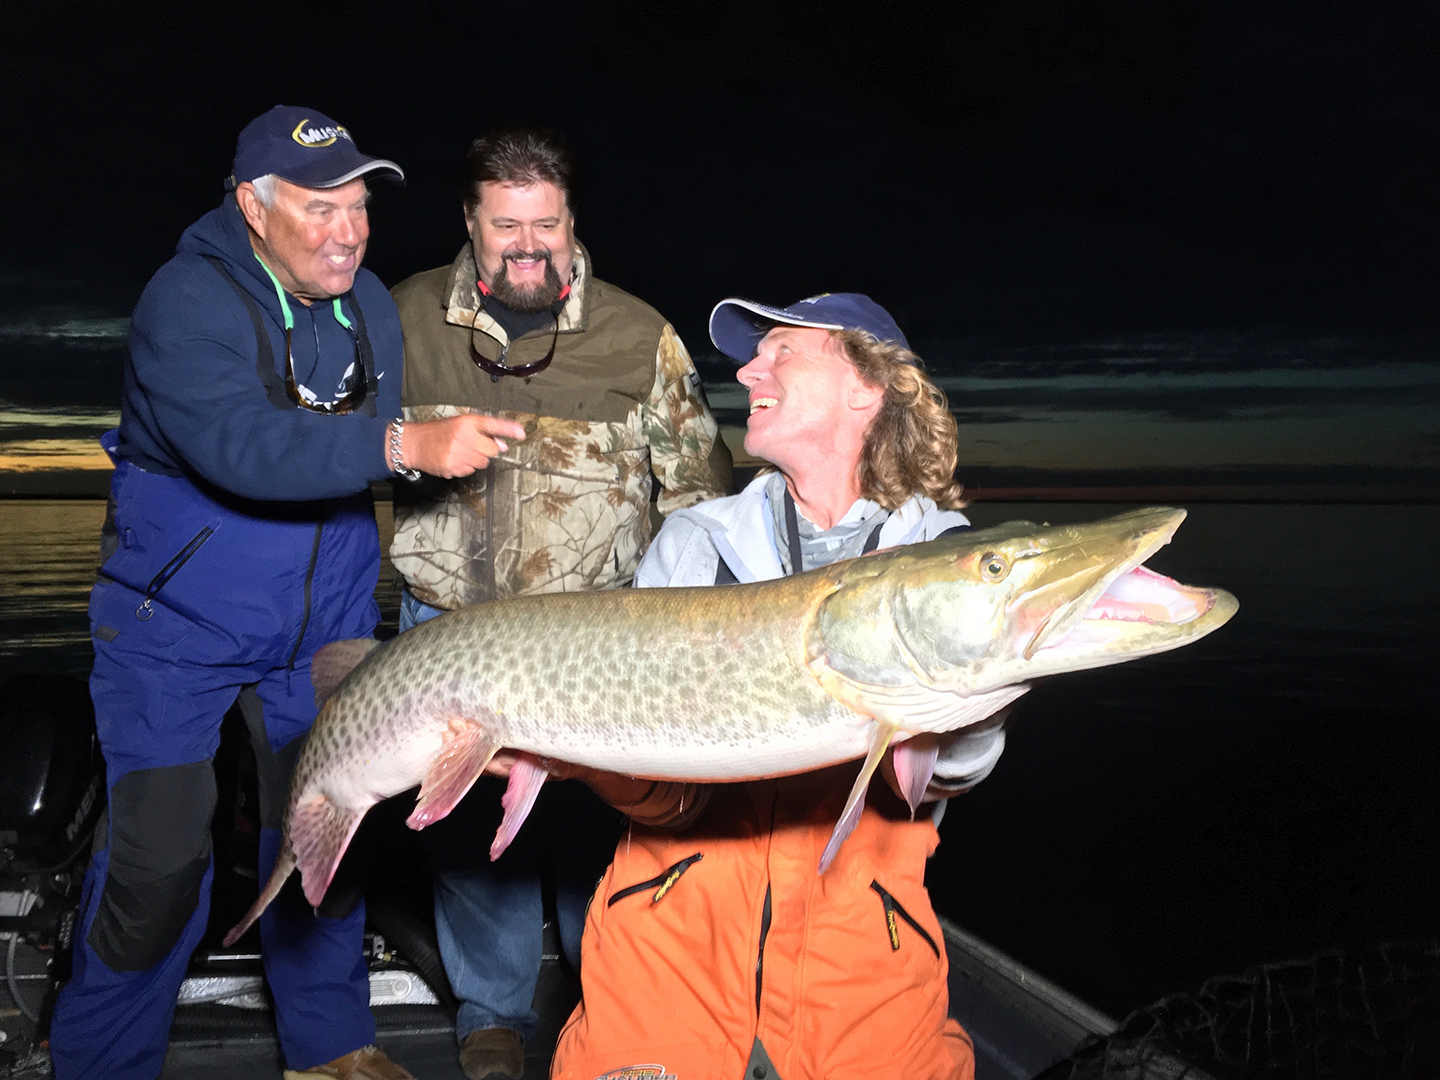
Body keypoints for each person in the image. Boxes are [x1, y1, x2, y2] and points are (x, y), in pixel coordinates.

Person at [49, 106, 524, 1080]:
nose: (348, 229)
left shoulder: (373, 308)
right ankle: (100, 1063)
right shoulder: (186, 302)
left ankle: (331, 1047)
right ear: (252, 209)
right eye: (319, 208)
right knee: (160, 862)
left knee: (328, 830)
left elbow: (379, 453)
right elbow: (241, 447)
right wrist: (404, 446)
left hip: (326, 620)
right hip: (172, 628)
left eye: (358, 206)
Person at [548, 294, 1006, 1080]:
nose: (749, 368)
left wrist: (992, 679)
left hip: (863, 986)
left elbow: (956, 773)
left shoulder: (944, 555)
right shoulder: (695, 544)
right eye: (754, 355)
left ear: (869, 387)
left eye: (783, 350)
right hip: (669, 963)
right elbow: (665, 799)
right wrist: (586, 758)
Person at [387, 128, 733, 1080]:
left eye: (547, 223)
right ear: (471, 221)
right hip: (445, 633)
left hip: (600, 643)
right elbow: (329, 448)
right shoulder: (401, 318)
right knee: (462, 836)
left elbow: (702, 498)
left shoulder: (639, 336)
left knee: (609, 833)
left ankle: (617, 1003)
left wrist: (690, 645)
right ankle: (489, 1015)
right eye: (506, 225)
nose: (527, 244)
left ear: (573, 222)